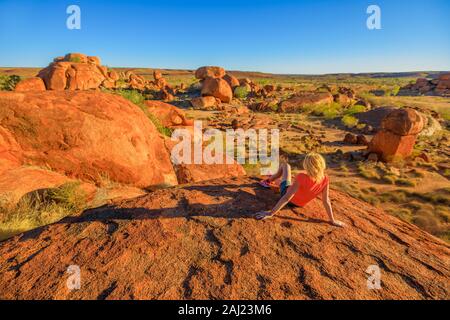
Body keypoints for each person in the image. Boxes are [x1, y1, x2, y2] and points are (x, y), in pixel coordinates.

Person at [255, 152, 345, 227]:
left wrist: (271, 213)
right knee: (284, 181)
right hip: (300, 204)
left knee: (286, 166)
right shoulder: (325, 179)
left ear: (307, 165)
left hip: (287, 195)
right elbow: (326, 200)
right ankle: (273, 179)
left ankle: (268, 181)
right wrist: (332, 220)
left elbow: (287, 197)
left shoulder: (301, 177)